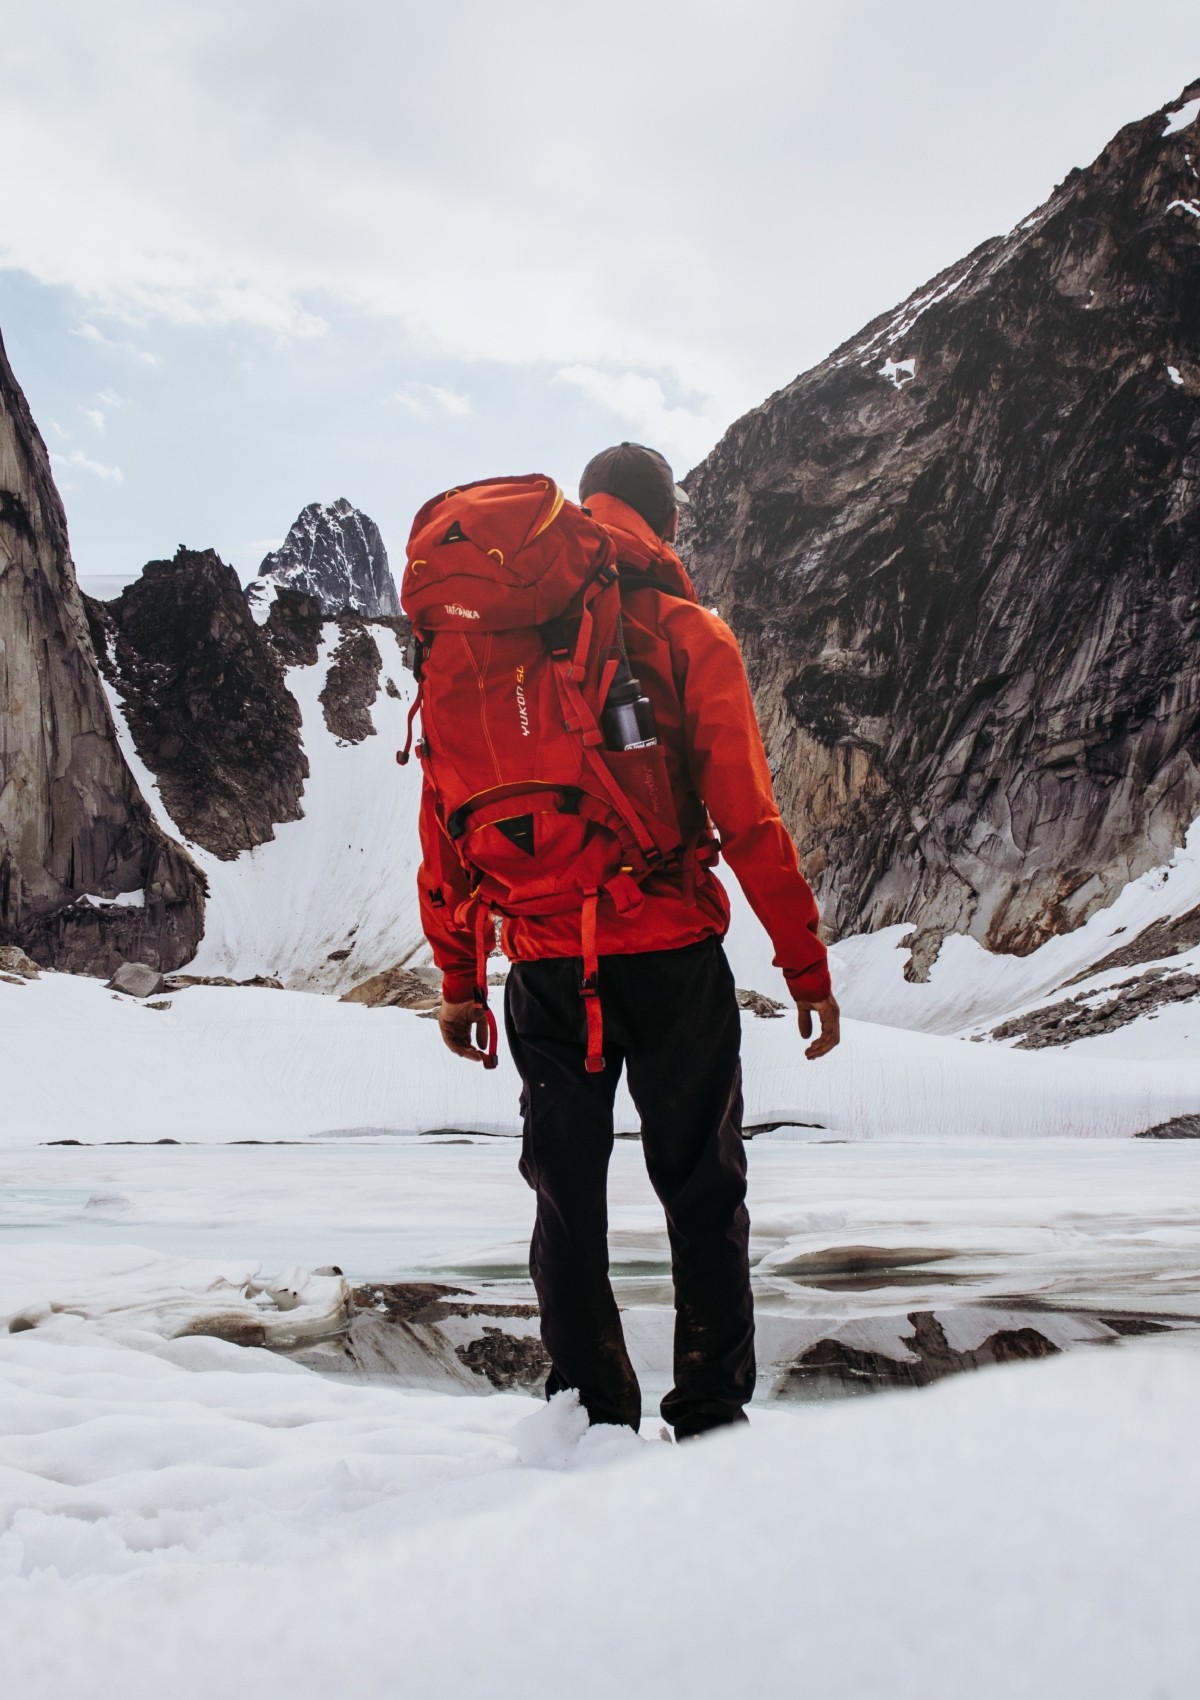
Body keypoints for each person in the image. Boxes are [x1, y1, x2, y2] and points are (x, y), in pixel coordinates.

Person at [419, 442, 839, 1440]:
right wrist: (805, 962)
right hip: (669, 955)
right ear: (668, 522)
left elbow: (443, 820)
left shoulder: (482, 643)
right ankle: (707, 1416)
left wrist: (460, 977)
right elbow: (749, 821)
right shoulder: (684, 630)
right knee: (702, 1187)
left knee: (565, 1197)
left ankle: (589, 1414)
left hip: (543, 963)